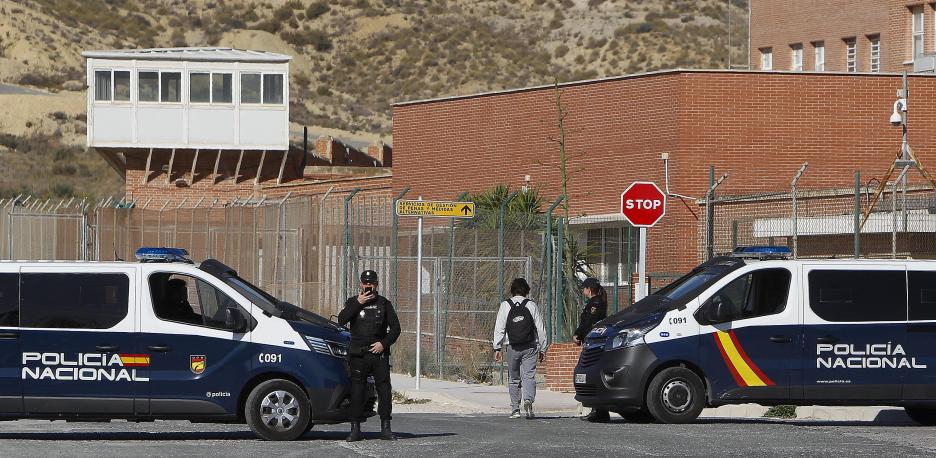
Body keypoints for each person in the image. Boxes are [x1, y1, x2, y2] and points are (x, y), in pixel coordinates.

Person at [337, 269, 401, 442]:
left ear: (376, 284)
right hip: (359, 355)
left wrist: (383, 344)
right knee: (357, 391)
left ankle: (386, 428)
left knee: (384, 391)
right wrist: (358, 303)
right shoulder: (352, 302)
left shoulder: (384, 303)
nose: (368, 286)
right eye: (365, 283)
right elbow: (341, 320)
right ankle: (355, 429)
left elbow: (396, 329)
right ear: (361, 284)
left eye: (371, 283)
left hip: (378, 355)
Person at [492, 278, 547, 419]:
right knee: (529, 375)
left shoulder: (505, 305)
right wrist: (543, 347)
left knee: (514, 378)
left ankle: (515, 409)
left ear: (512, 290)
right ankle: (528, 400)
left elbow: (499, 327)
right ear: (526, 290)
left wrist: (497, 348)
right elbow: (540, 327)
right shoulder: (531, 305)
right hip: (530, 346)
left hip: (513, 346)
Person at [574, 277, 610, 423]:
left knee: (592, 372)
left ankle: (600, 410)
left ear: (589, 289)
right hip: (592, 341)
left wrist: (578, 333)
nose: (583, 290)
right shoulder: (594, 302)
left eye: (584, 288)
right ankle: (598, 410)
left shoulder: (595, 303)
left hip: (594, 342)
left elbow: (588, 322)